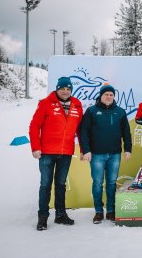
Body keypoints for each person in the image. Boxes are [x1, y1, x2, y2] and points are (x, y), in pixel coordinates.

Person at [29, 76, 83, 231]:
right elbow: (34, 126)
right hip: (46, 152)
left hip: (66, 152)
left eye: (68, 89)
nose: (65, 91)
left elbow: (80, 130)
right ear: (57, 88)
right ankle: (43, 218)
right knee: (45, 185)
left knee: (60, 184)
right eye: (62, 88)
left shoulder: (77, 105)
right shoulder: (46, 103)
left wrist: (84, 149)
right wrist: (35, 147)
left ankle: (60, 215)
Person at [80, 83, 132, 224]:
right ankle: (98, 211)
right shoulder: (91, 111)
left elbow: (126, 133)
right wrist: (86, 150)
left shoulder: (120, 112)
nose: (108, 97)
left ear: (113, 97)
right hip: (96, 154)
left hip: (115, 154)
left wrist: (128, 149)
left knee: (111, 183)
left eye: (111, 95)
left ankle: (110, 210)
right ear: (101, 96)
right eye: (106, 94)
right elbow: (83, 132)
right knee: (97, 183)